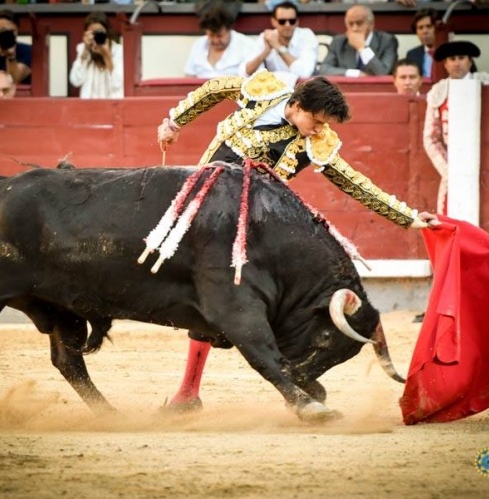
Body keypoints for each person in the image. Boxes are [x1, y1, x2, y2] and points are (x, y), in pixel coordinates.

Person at [156, 69, 439, 410]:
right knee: (209, 303)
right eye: (316, 121)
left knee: (242, 300)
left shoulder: (316, 142)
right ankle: (191, 391)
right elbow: (213, 88)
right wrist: (174, 122)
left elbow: (356, 183)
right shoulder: (262, 91)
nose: (320, 129)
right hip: (203, 212)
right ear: (296, 104)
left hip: (251, 227)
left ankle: (267, 377)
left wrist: (407, 216)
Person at [423, 40, 489, 215]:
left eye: (461, 58)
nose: (457, 63)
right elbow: (430, 138)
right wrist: (448, 170)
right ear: (445, 63)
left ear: (470, 61)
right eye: (452, 58)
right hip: (453, 163)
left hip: (486, 162)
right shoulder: (439, 91)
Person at [243, 1, 318, 87]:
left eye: (292, 21)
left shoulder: (307, 35)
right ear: (273, 21)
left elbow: (304, 73)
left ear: (297, 21)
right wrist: (265, 52)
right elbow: (246, 72)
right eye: (282, 21)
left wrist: (278, 46)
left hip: (303, 90)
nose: (287, 25)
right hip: (273, 91)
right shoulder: (266, 37)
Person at [318, 4, 398, 78]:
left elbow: (382, 73)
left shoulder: (387, 41)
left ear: (371, 24)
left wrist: (362, 48)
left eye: (359, 23)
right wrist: (356, 73)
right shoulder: (339, 42)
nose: (354, 28)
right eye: (351, 24)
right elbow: (324, 70)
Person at [183, 4, 257, 78]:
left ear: (229, 29)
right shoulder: (198, 45)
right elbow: (188, 76)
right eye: (211, 35)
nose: (215, 40)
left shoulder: (246, 45)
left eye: (219, 36)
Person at [69, 11, 124, 98]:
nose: (96, 37)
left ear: (107, 33)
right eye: (93, 34)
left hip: (111, 107)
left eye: (100, 33)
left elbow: (117, 84)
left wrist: (107, 55)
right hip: (88, 107)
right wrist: (86, 51)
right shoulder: (83, 49)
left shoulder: (117, 51)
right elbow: (75, 81)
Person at [406, 8, 437, 78]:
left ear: (437, 28)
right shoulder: (412, 55)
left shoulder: (449, 53)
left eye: (429, 26)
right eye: (420, 28)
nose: (425, 31)